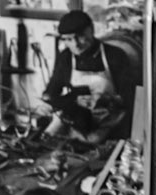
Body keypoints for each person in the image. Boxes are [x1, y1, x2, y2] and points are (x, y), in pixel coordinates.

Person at [41, 9, 141, 142]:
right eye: (68, 39)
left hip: (111, 125)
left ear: (91, 29)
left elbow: (131, 98)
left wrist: (105, 100)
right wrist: (60, 101)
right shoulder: (65, 57)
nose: (75, 44)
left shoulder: (115, 56)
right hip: (80, 123)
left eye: (80, 36)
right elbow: (52, 92)